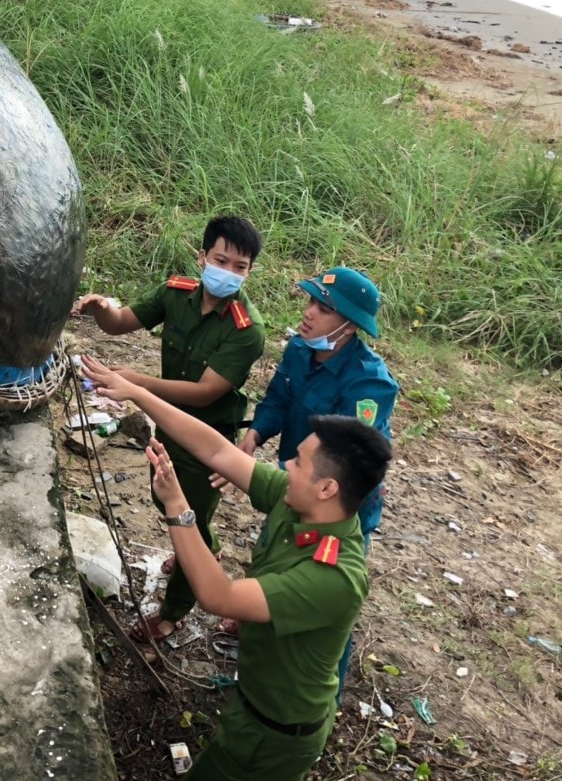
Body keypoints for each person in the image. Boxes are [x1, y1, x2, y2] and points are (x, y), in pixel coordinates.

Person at [85, 357, 392, 781]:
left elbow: (218, 597)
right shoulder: (302, 504)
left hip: (275, 735)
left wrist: (177, 506)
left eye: (299, 463)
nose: (286, 467)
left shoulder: (333, 577)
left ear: (327, 488)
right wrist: (139, 393)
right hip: (254, 705)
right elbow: (217, 451)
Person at [74, 216, 266, 644]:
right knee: (166, 500)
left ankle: (173, 611)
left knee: (187, 520)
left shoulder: (247, 331)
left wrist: (135, 383)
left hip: (208, 442)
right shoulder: (175, 294)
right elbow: (121, 322)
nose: (230, 272)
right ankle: (204, 551)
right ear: (202, 257)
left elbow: (203, 393)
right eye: (222, 260)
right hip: (167, 427)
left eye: (241, 267)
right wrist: (103, 308)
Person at [237, 266, 397, 691]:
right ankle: (263, 625)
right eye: (310, 301)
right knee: (277, 552)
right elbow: (277, 398)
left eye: (323, 309)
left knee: (327, 596)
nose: (308, 313)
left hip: (335, 505)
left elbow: (340, 456)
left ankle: (324, 691)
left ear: (349, 326)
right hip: (296, 485)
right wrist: (254, 435)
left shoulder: (369, 383)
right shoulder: (300, 349)